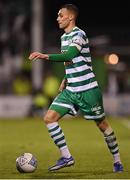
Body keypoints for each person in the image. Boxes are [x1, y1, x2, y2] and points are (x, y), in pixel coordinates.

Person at [29, 4, 123, 172]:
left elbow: (69, 55)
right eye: (57, 15)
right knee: (49, 118)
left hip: (88, 90)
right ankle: (66, 157)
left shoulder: (79, 34)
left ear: (70, 17)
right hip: (71, 89)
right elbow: (71, 62)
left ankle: (117, 161)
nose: (57, 18)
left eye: (61, 15)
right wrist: (66, 78)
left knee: (102, 125)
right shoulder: (64, 38)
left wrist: (44, 55)